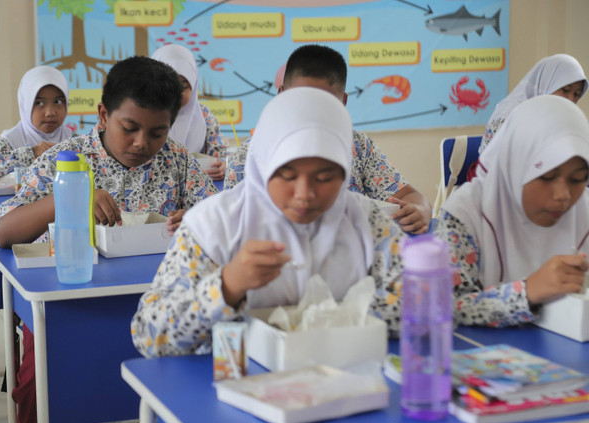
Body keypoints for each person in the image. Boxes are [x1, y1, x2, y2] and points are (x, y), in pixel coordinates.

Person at [0, 56, 217, 423]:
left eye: (157, 132)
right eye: (129, 128)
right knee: (41, 383)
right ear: (102, 115)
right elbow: (4, 232)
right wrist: (70, 196)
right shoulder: (65, 162)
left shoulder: (177, 162)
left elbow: (220, 217)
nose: (141, 143)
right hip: (69, 307)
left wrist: (199, 219)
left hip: (158, 303)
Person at [131, 87, 406, 357]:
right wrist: (227, 286)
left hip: (348, 387)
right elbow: (149, 336)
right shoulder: (215, 226)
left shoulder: (367, 223)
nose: (304, 194)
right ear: (263, 168)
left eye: (324, 178)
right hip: (234, 390)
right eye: (287, 175)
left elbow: (426, 309)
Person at [224, 44, 432, 234]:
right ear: (281, 95)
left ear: (343, 101)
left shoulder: (358, 147)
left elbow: (410, 196)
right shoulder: (249, 155)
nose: (313, 111)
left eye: (324, 102)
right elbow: (233, 221)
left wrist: (420, 209)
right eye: (303, 99)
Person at [435, 95, 589, 328]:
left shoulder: (584, 210)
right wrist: (527, 292)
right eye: (547, 176)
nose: (563, 195)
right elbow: (442, 306)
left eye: (578, 179)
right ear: (515, 165)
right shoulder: (465, 214)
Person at [467, 54, 588, 180]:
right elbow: (502, 171)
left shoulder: (557, 116)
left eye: (577, 94)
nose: (571, 99)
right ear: (547, 83)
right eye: (565, 89)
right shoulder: (511, 113)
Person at [0, 65, 73, 187]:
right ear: (25, 105)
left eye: (58, 102)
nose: (50, 112)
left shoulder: (73, 141)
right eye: (39, 103)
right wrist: (29, 154)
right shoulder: (9, 143)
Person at [151, 44, 228, 180]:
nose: (175, 92)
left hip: (196, 192)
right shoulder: (144, 115)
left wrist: (223, 165)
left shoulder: (204, 116)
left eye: (183, 86)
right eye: (167, 85)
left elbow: (220, 153)